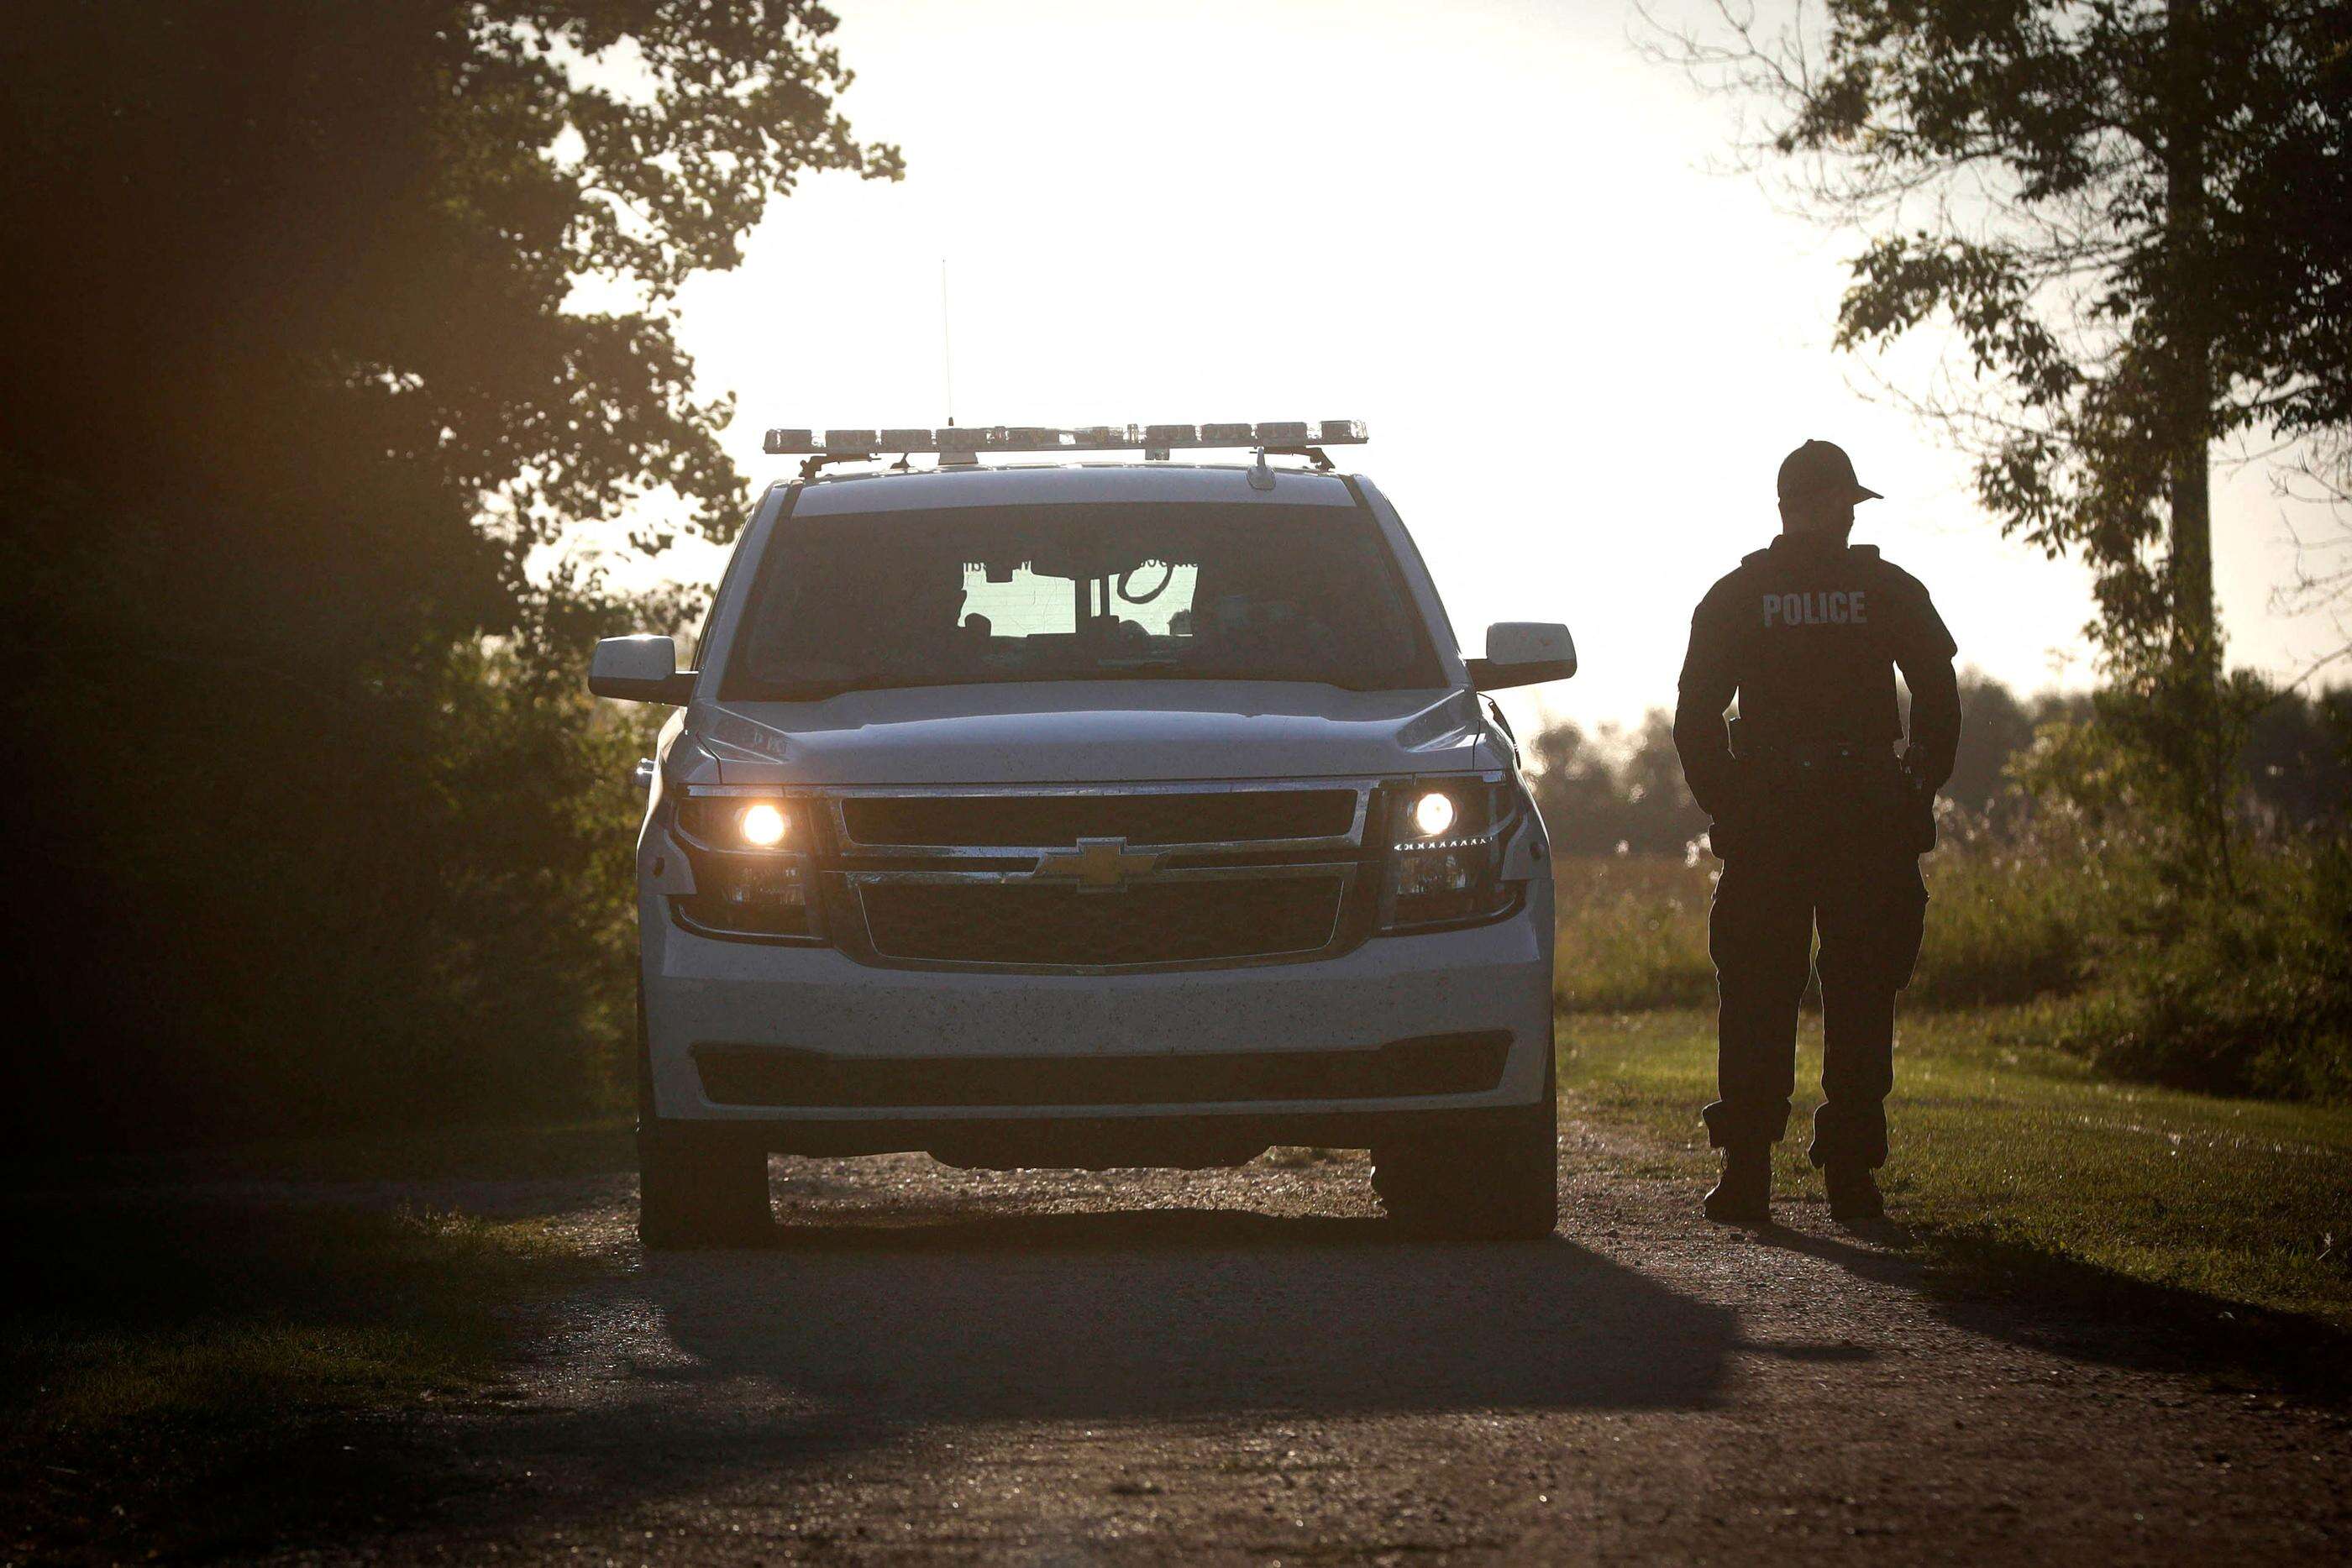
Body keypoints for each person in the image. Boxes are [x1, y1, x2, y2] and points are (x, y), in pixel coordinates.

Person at [1672, 439, 1961, 1224]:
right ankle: (1848, 1174)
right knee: (1859, 992)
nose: (1842, 517)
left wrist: (1728, 798)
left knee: (1762, 989)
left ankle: (1749, 1172)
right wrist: (1915, 780)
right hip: (1861, 817)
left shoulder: (1739, 594)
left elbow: (1695, 714)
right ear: (1832, 503)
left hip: (1775, 817)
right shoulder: (1885, 589)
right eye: (1843, 502)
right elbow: (1939, 691)